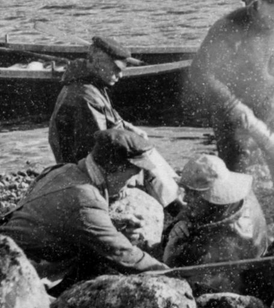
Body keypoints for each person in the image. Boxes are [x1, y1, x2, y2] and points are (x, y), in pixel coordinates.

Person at [185, 0, 274, 219]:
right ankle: (233, 223)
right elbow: (201, 72)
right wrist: (232, 105)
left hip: (271, 105)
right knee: (235, 170)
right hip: (233, 111)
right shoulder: (230, 26)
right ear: (259, 1)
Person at [0, 129, 169, 292]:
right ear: (113, 168)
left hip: (1, 250)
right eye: (130, 175)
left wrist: (111, 225)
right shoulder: (85, 198)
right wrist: (172, 274)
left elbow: (61, 220)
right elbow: (122, 253)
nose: (131, 183)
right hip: (13, 274)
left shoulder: (63, 170)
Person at [48, 35, 183, 217]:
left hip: (85, 158)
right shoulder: (85, 96)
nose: (120, 75)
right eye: (116, 69)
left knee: (142, 146)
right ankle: (175, 206)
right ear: (97, 63)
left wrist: (129, 128)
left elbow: (110, 117)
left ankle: (175, 192)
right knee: (143, 156)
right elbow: (97, 145)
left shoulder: (91, 83)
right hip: (78, 167)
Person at [162, 154, 270, 294]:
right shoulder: (225, 203)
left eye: (193, 193)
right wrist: (180, 224)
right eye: (186, 191)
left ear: (214, 195)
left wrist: (170, 252)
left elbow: (189, 288)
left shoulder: (230, 238)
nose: (186, 199)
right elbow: (189, 213)